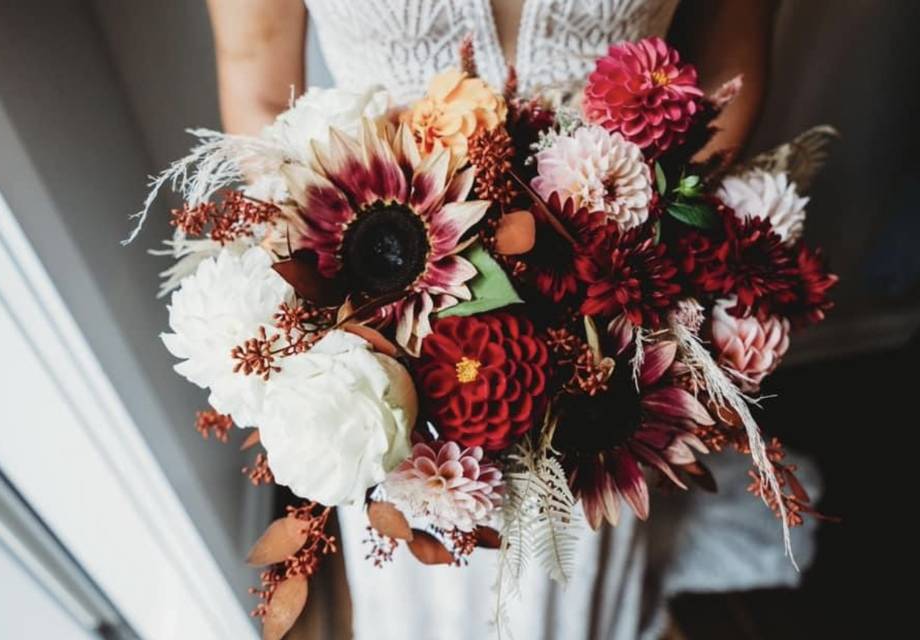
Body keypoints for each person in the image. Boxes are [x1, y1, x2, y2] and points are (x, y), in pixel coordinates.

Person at [205, 2, 818, 638]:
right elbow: (258, 90)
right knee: (430, 543)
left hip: (612, 316)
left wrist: (647, 253)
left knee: (582, 550)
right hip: (387, 299)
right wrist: (357, 303)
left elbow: (725, 59)